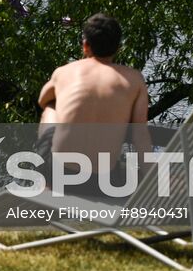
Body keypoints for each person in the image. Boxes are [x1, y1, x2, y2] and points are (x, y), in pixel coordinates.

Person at [36, 13, 151, 184]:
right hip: (104, 181)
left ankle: (46, 184)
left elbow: (42, 100)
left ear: (85, 46)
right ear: (118, 48)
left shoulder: (65, 71)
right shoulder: (134, 79)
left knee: (50, 107)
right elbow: (140, 134)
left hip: (57, 174)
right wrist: (150, 175)